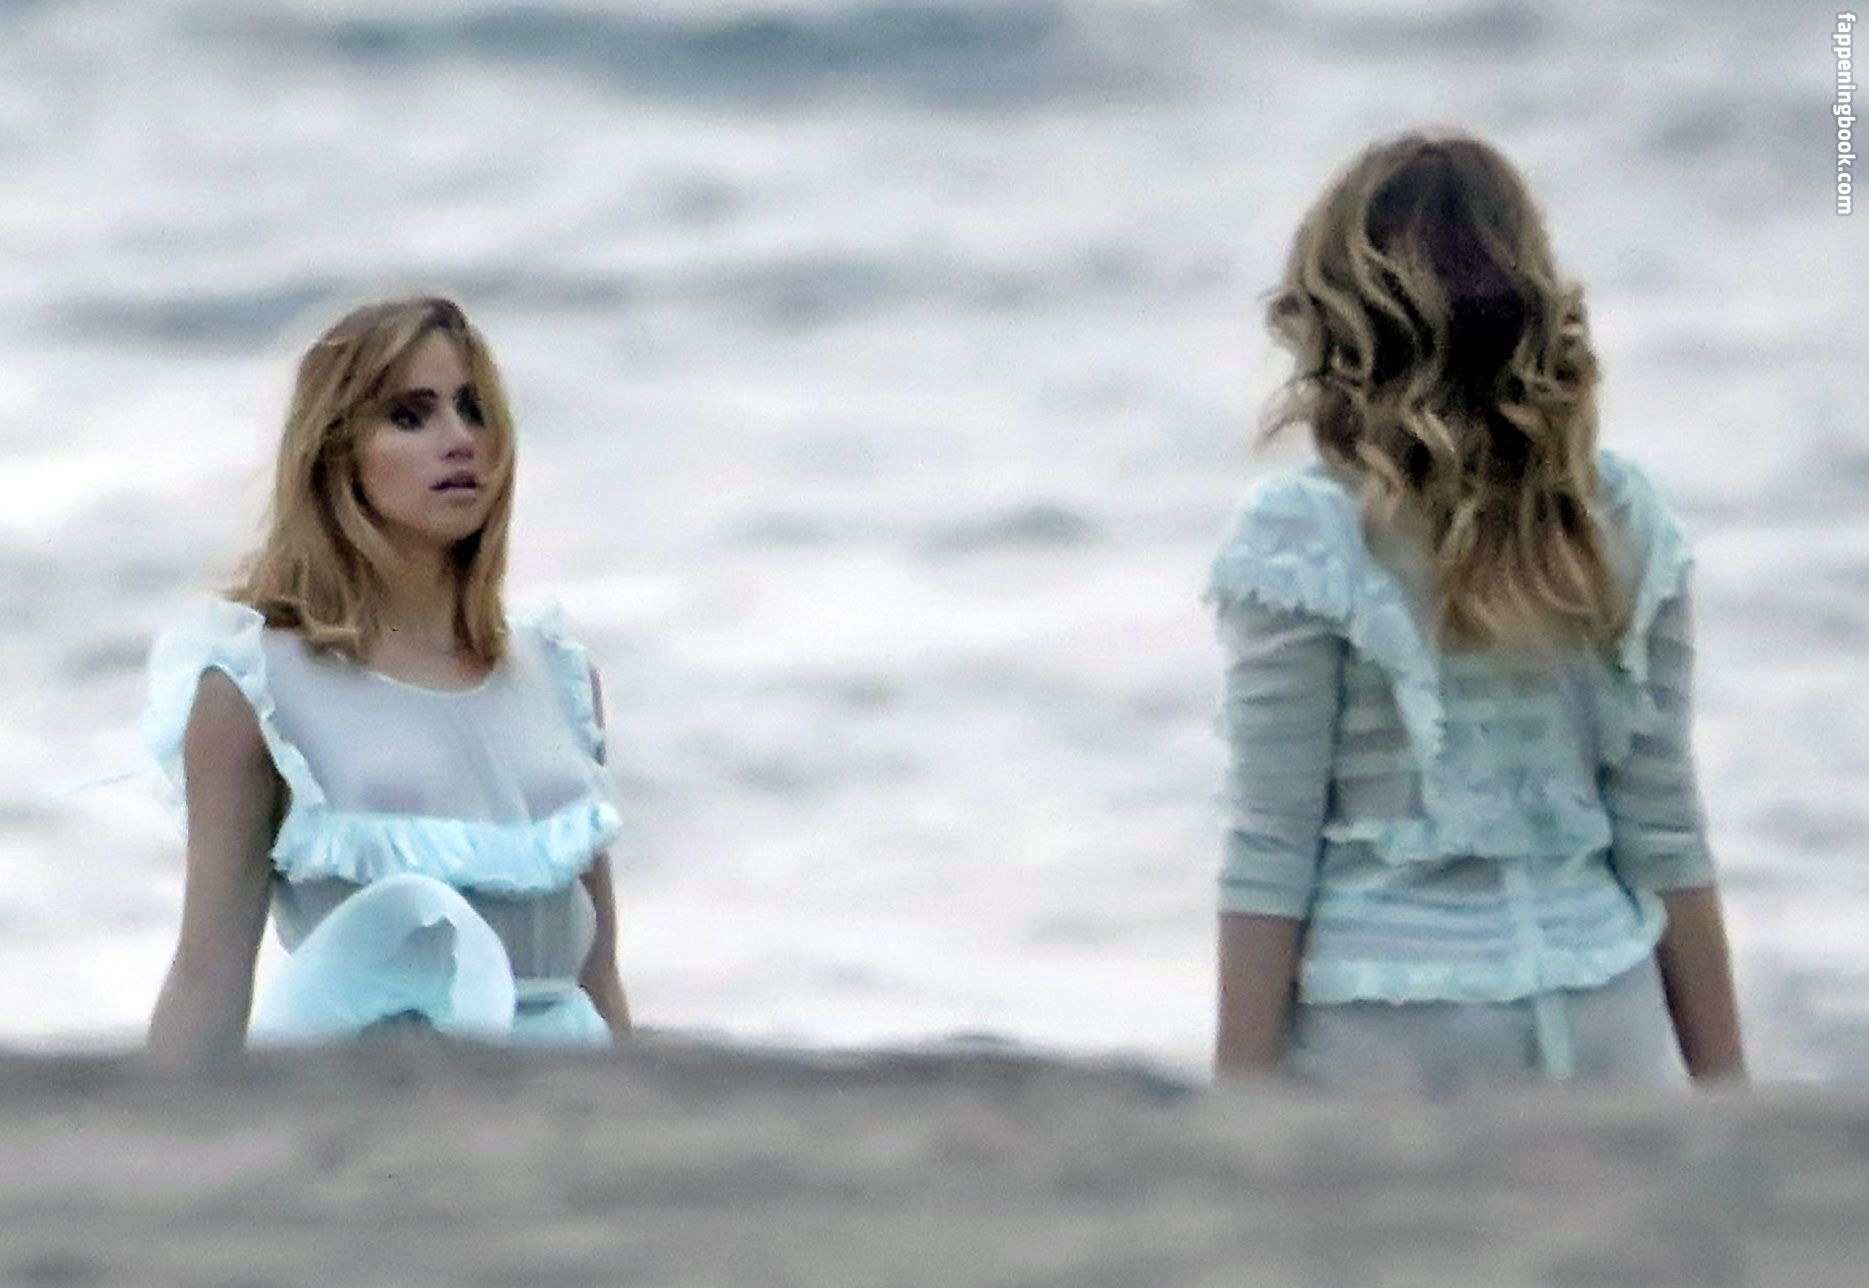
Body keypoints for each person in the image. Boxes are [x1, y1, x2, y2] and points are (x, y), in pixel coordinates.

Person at [1208, 130, 1746, 1097]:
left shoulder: (1301, 535)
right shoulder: (1621, 517)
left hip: (1391, 1024)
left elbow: (1270, 845)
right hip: (1603, 1009)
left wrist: (1236, 1104)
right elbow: (1664, 832)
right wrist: (1728, 1092)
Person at [142, 295, 630, 1060]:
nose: (459, 440)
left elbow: (598, 977)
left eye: (474, 410)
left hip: (568, 1100)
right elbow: (209, 973)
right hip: (368, 1100)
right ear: (334, 455)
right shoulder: (255, 688)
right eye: (410, 416)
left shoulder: (558, 677)